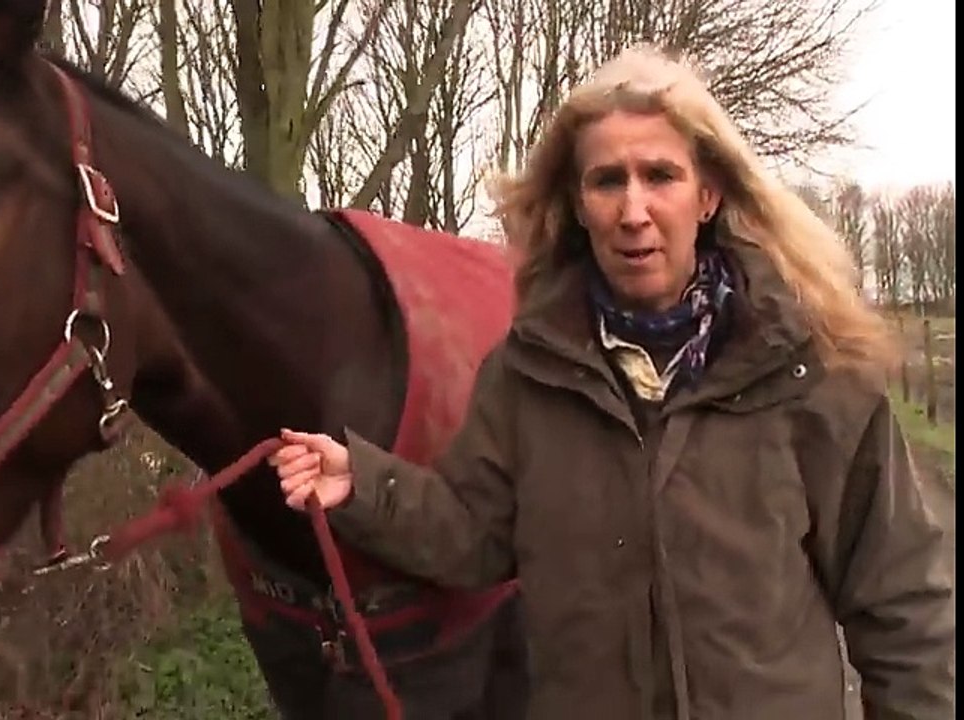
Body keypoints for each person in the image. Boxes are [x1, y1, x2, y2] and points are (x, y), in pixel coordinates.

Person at [269, 44, 955, 719]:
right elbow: (473, 535)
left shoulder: (810, 372)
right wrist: (362, 483)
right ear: (577, 203)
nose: (633, 212)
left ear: (707, 195)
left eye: (659, 176)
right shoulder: (524, 375)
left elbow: (901, 604)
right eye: (607, 181)